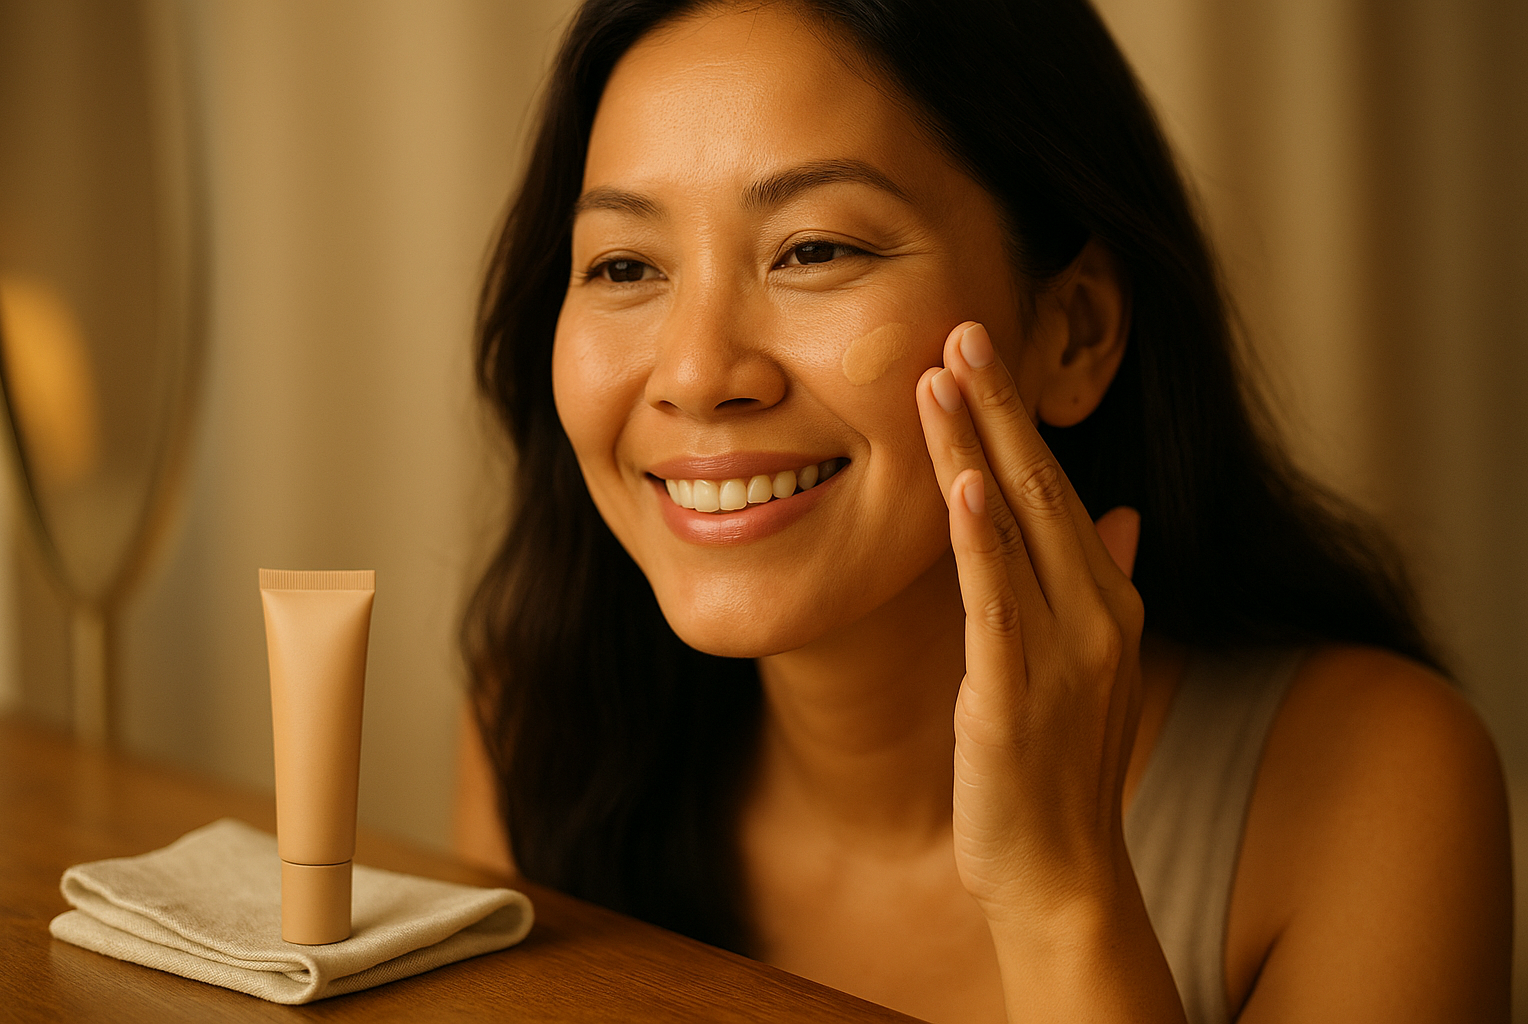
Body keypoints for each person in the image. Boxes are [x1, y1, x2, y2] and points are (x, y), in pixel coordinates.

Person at [452, 1, 1513, 1021]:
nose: (695, 371)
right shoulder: (542, 724)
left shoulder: (1378, 791)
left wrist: (1061, 897)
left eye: (815, 250)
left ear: (1074, 331)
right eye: (624, 265)